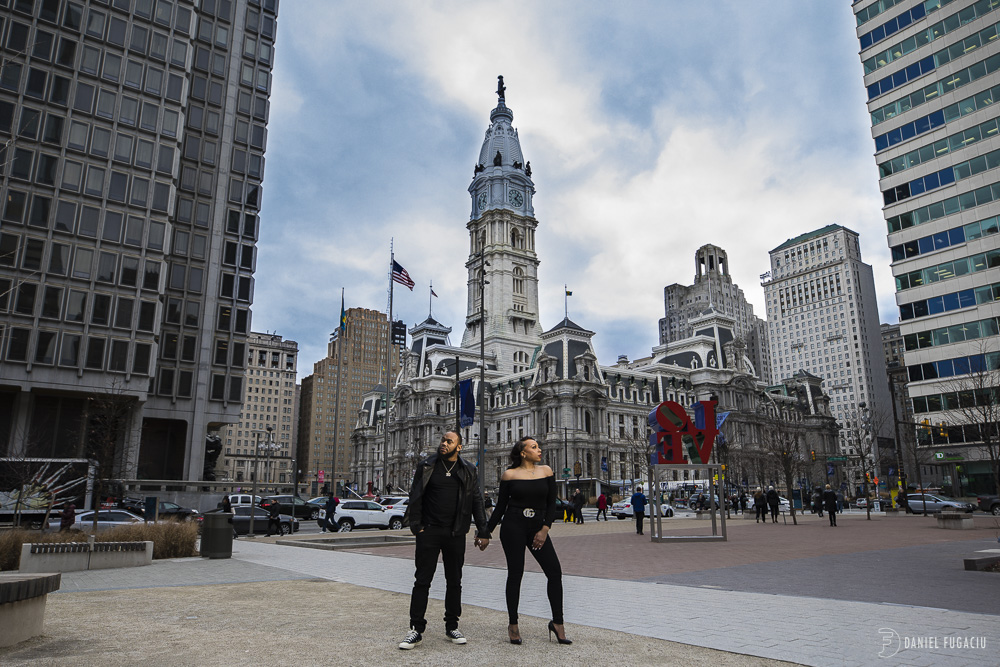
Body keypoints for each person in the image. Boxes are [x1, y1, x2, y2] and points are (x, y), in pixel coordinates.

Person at [399, 431, 490, 651]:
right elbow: (415, 495)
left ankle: (452, 626)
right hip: (428, 532)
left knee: (454, 581)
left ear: (459, 447)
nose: (444, 443)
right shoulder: (426, 466)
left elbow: (476, 499)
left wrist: (483, 530)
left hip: (455, 533)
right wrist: (417, 526)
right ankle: (416, 629)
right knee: (422, 581)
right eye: (443, 440)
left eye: (449, 441)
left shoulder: (467, 469)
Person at [486, 436, 571, 646]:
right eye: (534, 447)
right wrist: (485, 532)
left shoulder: (547, 471)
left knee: (554, 571)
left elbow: (552, 505)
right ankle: (513, 624)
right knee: (516, 574)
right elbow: (500, 508)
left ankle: (558, 623)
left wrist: (544, 529)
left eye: (538, 446)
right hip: (513, 525)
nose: (539, 449)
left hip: (538, 526)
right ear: (523, 453)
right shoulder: (510, 475)